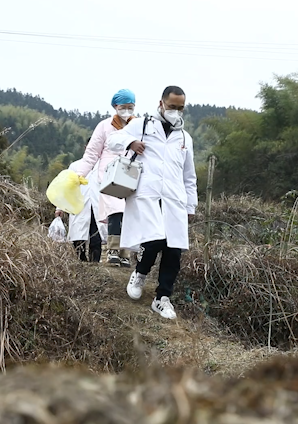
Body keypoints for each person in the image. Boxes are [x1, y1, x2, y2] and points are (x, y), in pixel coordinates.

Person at [107, 86, 197, 319]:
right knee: (154, 239)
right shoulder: (144, 125)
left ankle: (162, 298)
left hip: (174, 198)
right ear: (161, 104)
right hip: (148, 194)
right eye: (172, 107)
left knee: (174, 249)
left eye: (180, 108)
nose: (175, 112)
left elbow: (189, 175)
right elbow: (113, 139)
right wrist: (131, 143)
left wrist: (190, 205)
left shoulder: (185, 138)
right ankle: (140, 272)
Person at [71, 89, 137, 268]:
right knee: (115, 211)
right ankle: (113, 251)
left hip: (132, 173)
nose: (127, 110)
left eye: (130, 107)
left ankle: (126, 253)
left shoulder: (138, 125)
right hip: (109, 175)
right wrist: (80, 174)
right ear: (115, 107)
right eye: (123, 107)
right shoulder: (104, 126)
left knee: (129, 214)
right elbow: (92, 153)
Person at [56, 157, 107, 263]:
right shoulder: (75, 166)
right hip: (79, 206)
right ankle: (81, 261)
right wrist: (59, 207)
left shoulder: (104, 166)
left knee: (96, 237)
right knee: (78, 236)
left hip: (97, 205)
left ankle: (94, 263)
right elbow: (66, 187)